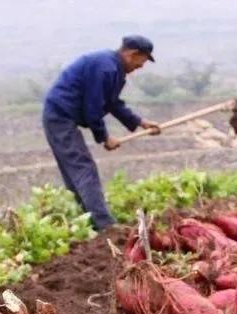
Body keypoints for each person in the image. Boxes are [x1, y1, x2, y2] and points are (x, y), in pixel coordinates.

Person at [42, 35, 161, 230]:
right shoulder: (105, 68)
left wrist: (140, 122)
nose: (141, 66)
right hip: (59, 116)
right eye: (143, 60)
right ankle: (105, 225)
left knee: (76, 171)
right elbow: (93, 107)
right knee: (83, 168)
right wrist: (104, 137)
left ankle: (89, 220)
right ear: (132, 54)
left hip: (63, 115)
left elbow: (112, 103)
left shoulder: (113, 69)